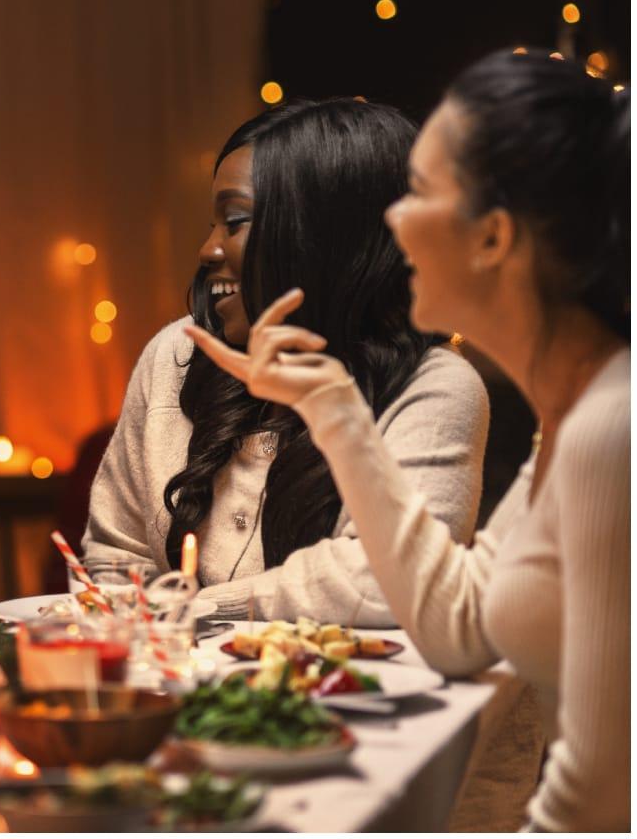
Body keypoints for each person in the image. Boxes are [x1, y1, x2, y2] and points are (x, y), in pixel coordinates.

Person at [190, 50, 628, 831]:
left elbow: (597, 797)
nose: (389, 221)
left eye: (420, 194)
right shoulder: (571, 421)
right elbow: (460, 629)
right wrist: (338, 414)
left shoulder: (609, 431)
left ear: (492, 237)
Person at [84, 99, 487, 624]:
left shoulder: (434, 388)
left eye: (235, 220)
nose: (208, 250)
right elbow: (116, 558)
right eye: (212, 223)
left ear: (326, 238)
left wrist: (194, 610)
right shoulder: (178, 354)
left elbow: (385, 582)